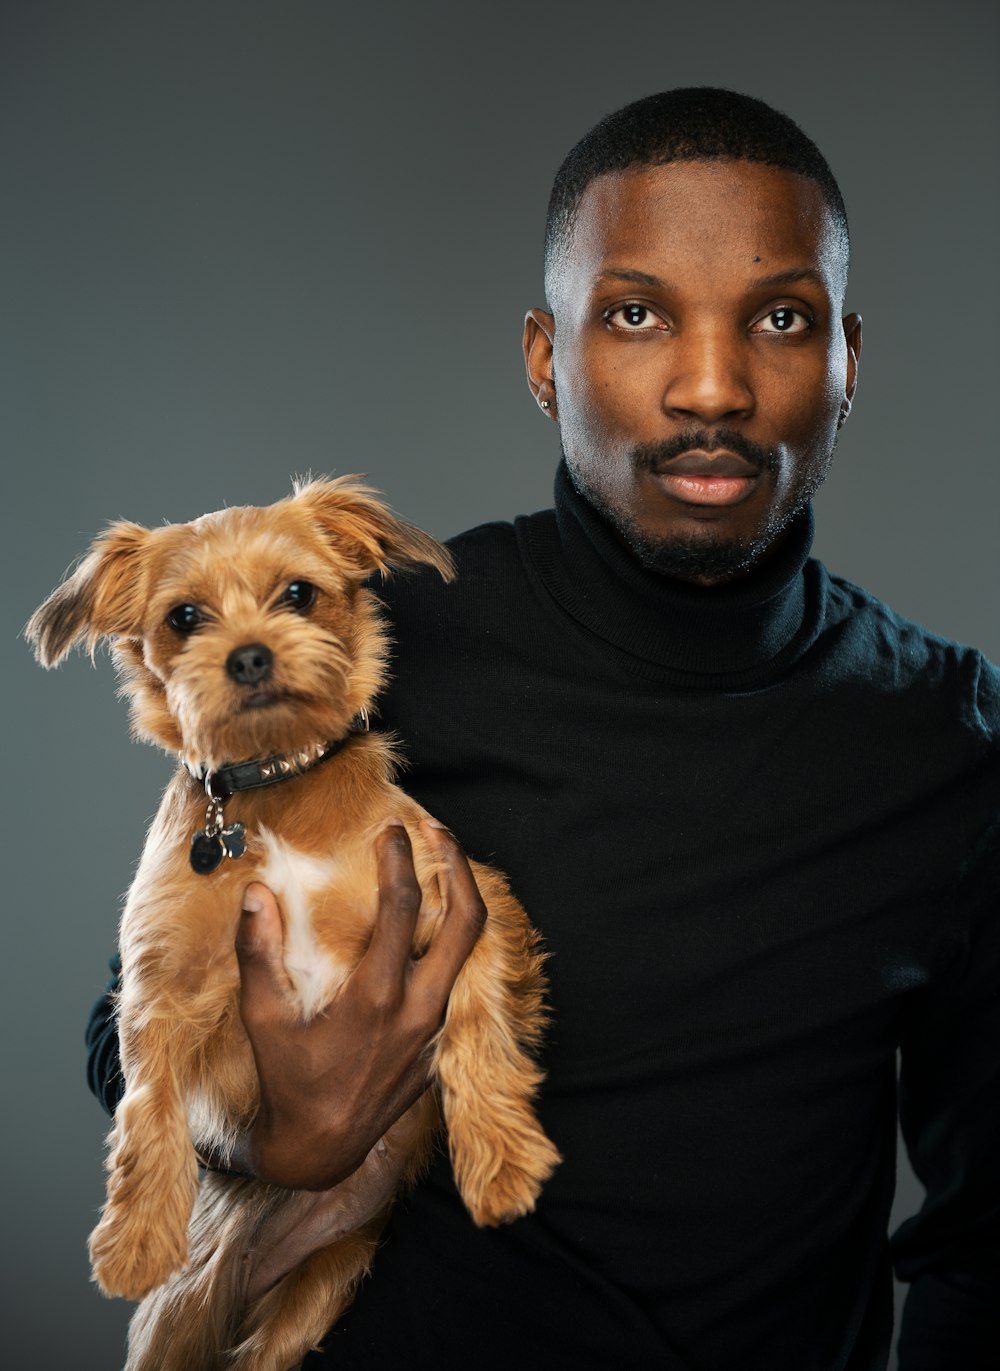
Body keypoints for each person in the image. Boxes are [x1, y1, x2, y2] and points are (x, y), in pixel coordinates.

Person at [87, 88, 1000, 1369]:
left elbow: (989, 1242)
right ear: (544, 356)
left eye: (780, 320)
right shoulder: (363, 650)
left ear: (847, 361)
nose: (710, 385)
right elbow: (130, 1012)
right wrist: (276, 1136)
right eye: (634, 314)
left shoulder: (947, 737)